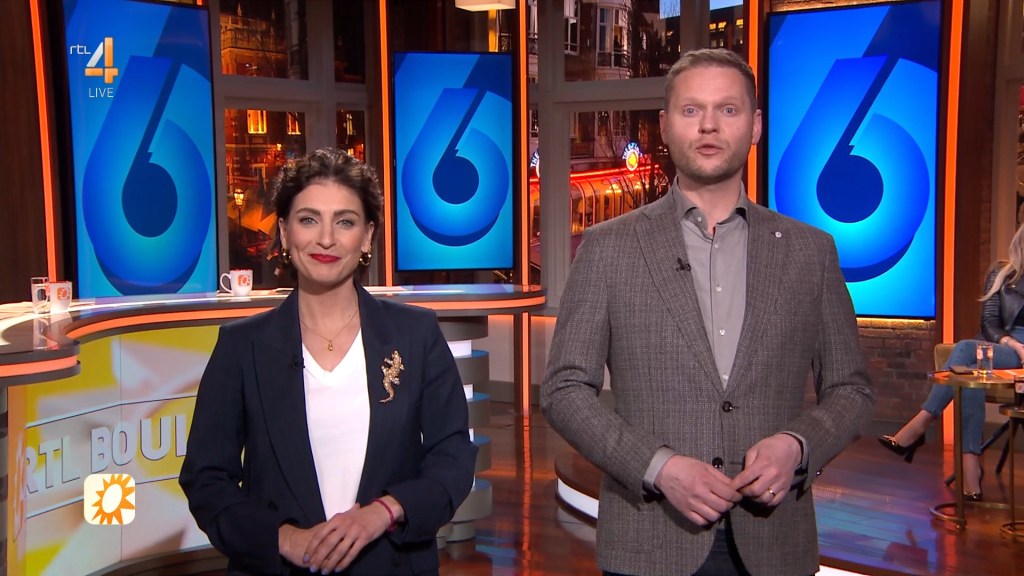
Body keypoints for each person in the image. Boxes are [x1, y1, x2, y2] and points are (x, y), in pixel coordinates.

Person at [540, 48, 874, 576]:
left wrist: (798, 446)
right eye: (691, 110)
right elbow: (564, 389)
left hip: (775, 543)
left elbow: (851, 389)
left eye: (728, 109)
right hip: (649, 543)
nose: (709, 125)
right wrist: (659, 467)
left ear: (755, 126)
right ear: (665, 125)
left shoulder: (811, 252)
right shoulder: (608, 248)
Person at [179, 149, 476, 575]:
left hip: (391, 564)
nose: (325, 239)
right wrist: (284, 538)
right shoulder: (241, 346)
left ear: (367, 236)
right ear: (284, 233)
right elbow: (206, 479)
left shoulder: (416, 334)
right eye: (308, 220)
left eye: (345, 222)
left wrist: (385, 511)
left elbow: (453, 455)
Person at [879, 223, 1024, 500]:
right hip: (1007, 346)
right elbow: (989, 322)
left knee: (966, 353)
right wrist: (1014, 345)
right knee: (969, 368)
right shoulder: (1002, 274)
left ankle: (922, 425)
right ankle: (970, 465)